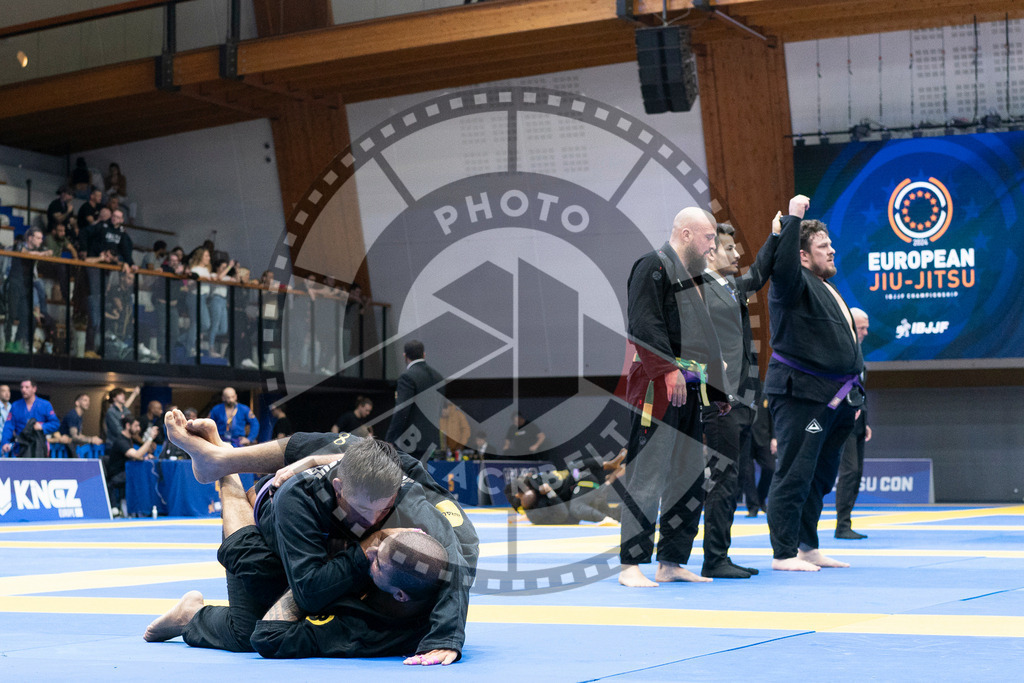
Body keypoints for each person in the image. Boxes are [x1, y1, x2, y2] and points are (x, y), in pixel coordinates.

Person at [151, 413, 477, 664]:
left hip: (345, 535)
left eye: (384, 510)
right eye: (363, 510)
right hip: (270, 518)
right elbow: (306, 593)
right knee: (255, 599)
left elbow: (457, 560)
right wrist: (364, 547)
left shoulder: (414, 499)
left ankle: (190, 613)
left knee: (251, 630)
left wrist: (446, 637)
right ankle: (225, 470)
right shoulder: (299, 497)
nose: (373, 520)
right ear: (339, 489)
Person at [617, 207, 730, 588]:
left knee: (689, 476)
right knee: (648, 473)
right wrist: (666, 369)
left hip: (692, 387)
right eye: (708, 237)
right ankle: (631, 564)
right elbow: (643, 322)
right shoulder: (652, 265)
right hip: (659, 385)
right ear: (685, 234)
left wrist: (717, 386)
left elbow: (705, 337)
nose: (712, 245)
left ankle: (671, 560)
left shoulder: (695, 279)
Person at [764, 195, 863, 572]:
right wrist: (792, 218)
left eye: (830, 244)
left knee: (820, 475)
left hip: (835, 399)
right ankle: (783, 552)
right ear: (802, 256)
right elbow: (783, 263)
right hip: (803, 397)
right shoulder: (791, 282)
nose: (832, 250)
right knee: (795, 470)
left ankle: (807, 546)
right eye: (823, 246)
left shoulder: (825, 286)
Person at [698, 221, 777, 578]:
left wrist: (776, 235)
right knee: (722, 480)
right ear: (709, 252)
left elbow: (758, 274)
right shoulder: (697, 289)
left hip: (743, 399)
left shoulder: (729, 287)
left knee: (731, 481)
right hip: (719, 398)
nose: (736, 254)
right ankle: (714, 558)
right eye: (729, 248)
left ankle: (721, 555)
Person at [835, 307, 872, 540]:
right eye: (861, 328)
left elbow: (860, 391)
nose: (865, 332)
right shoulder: (840, 350)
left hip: (858, 421)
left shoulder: (858, 352)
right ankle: (842, 525)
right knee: (849, 471)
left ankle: (846, 521)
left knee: (857, 473)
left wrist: (865, 421)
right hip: (844, 419)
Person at [384, 340, 445, 460]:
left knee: (408, 472)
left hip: (411, 441)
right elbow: (440, 409)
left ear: (405, 356)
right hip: (432, 440)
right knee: (426, 472)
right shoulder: (438, 377)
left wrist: (390, 438)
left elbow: (402, 410)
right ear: (424, 354)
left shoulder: (407, 377)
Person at [5, 227, 52, 353]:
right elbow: (26, 253)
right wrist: (42, 254)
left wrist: (46, 252)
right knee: (11, 315)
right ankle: (7, 344)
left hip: (26, 285)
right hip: (15, 283)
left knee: (27, 316)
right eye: (38, 238)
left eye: (41, 238)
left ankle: (17, 343)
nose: (41, 241)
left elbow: (48, 252)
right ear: (30, 238)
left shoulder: (38, 249)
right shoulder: (20, 245)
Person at [104, 417, 159, 513]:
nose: (139, 429)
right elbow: (137, 455)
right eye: (136, 426)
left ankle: (146, 508)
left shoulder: (129, 439)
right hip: (118, 475)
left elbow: (135, 456)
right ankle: (140, 509)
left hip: (127, 472)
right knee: (141, 476)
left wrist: (144, 457)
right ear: (127, 426)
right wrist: (150, 438)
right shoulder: (121, 441)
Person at [1, 379, 60, 455]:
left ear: (34, 389)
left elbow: (55, 423)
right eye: (22, 387)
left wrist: (42, 426)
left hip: (39, 446)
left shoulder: (45, 405)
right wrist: (5, 442)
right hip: (21, 446)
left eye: (27, 387)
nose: (23, 390)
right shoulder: (16, 405)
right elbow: (9, 426)